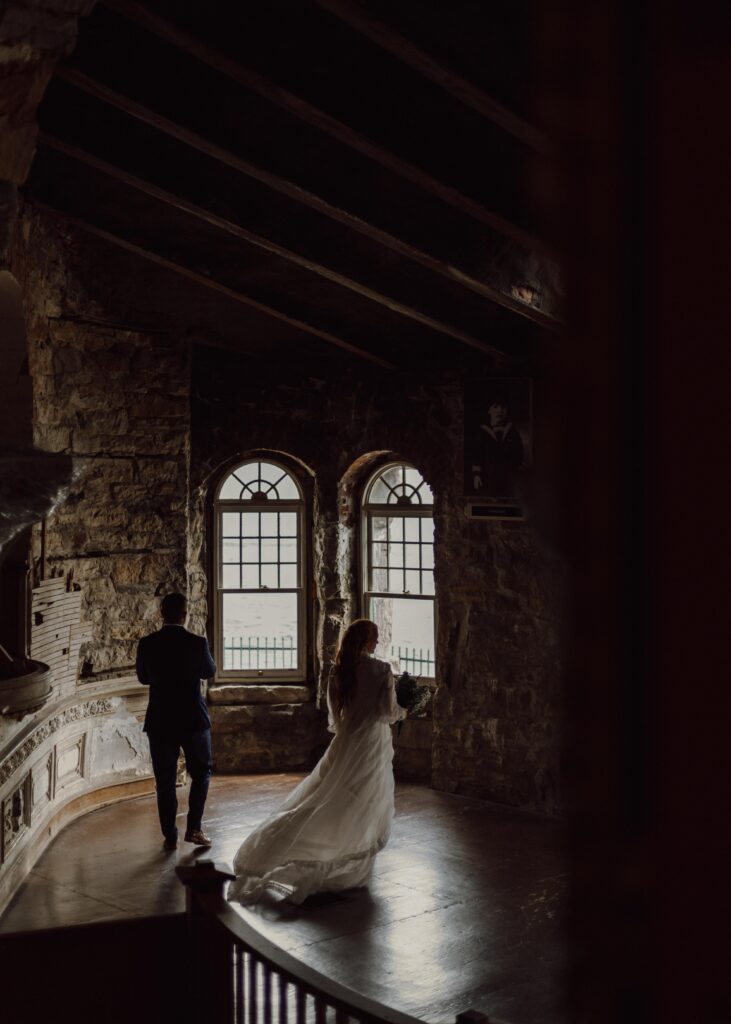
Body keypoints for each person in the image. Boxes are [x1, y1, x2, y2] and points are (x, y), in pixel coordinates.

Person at [227, 618, 406, 905]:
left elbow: (336, 718)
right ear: (365, 641)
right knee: (364, 797)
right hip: (371, 744)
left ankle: (320, 847)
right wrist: (405, 710)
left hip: (347, 741)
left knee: (329, 793)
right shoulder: (381, 670)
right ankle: (347, 849)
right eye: (374, 638)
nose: (376, 644)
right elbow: (387, 712)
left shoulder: (340, 671)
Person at [135, 592, 217, 851]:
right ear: (185, 614)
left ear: (162, 614)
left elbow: (143, 678)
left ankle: (169, 833)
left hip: (160, 720)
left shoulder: (147, 644)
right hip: (193, 719)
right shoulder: (197, 643)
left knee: (165, 780)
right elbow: (209, 672)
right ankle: (194, 828)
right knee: (201, 773)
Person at [470, 393, 525, 497]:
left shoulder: (512, 431)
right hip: (489, 476)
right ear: (489, 411)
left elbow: (519, 452)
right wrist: (477, 475)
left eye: (503, 407)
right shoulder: (483, 432)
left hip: (509, 477)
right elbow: (477, 454)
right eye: (495, 407)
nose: (500, 410)